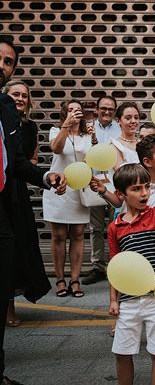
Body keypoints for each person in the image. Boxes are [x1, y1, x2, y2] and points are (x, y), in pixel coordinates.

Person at [0, 35, 67, 385]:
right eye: (0, 58)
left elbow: (17, 164)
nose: (2, 65)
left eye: (8, 61)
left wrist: (46, 175)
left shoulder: (6, 109)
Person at [107, 164, 155, 385]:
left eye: (147, 187)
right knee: (122, 352)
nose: (145, 193)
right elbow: (115, 266)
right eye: (137, 189)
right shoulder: (115, 227)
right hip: (128, 300)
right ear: (121, 194)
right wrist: (113, 300)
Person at [0, 80, 49, 328]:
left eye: (24, 96)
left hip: (18, 191)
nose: (20, 98)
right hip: (6, 186)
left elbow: (29, 160)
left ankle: (10, 306)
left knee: (17, 249)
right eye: (15, 94)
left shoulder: (29, 127)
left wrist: (43, 176)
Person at [43, 100, 94, 299]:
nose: (75, 113)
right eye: (71, 110)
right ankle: (59, 279)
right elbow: (56, 149)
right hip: (58, 187)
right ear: (64, 113)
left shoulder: (87, 135)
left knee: (79, 234)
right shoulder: (55, 131)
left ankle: (74, 280)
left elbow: (93, 160)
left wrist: (94, 137)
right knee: (58, 236)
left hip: (78, 190)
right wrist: (66, 125)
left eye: (78, 110)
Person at [83, 95, 120, 286]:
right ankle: (98, 266)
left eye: (110, 109)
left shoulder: (119, 127)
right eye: (103, 108)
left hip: (116, 184)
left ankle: (118, 264)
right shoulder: (88, 127)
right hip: (95, 182)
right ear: (97, 109)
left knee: (117, 225)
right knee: (96, 228)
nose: (107, 112)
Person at [111, 102, 141, 168]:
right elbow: (121, 174)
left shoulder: (142, 143)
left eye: (136, 117)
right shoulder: (115, 146)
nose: (133, 121)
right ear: (118, 121)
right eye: (128, 118)